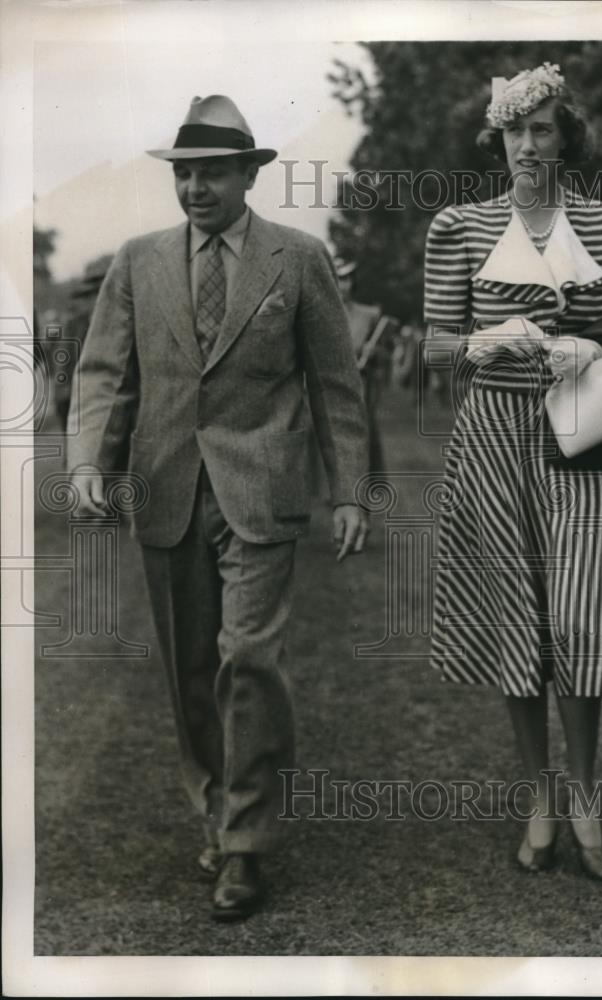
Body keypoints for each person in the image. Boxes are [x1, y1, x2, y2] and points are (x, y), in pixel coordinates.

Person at [68, 94, 369, 921]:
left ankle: (245, 844)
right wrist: (90, 460)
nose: (197, 189)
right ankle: (214, 807)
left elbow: (335, 385)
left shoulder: (298, 259)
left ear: (248, 175)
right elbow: (104, 373)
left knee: (250, 659)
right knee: (190, 670)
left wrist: (351, 491)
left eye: (213, 174)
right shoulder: (139, 260)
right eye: (185, 175)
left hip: (261, 490)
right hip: (164, 489)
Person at [424, 63, 602, 881]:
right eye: (515, 131)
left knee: (578, 616)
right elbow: (433, 344)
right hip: (492, 436)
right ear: (498, 139)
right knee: (518, 620)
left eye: (544, 130)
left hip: (585, 435)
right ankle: (539, 798)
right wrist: (481, 343)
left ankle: (587, 794)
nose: (529, 145)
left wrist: (597, 342)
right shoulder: (457, 227)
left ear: (566, 139)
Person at [335, 258, 395, 473]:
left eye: (349, 279)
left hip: (361, 390)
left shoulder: (369, 315)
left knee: (364, 448)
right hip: (328, 391)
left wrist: (374, 352)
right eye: (341, 278)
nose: (346, 284)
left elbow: (386, 354)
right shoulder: (318, 314)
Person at [54, 258, 112, 431]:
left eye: (100, 292)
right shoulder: (73, 325)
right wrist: (62, 388)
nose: (96, 300)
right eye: (91, 295)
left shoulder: (120, 322)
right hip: (79, 398)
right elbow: (62, 361)